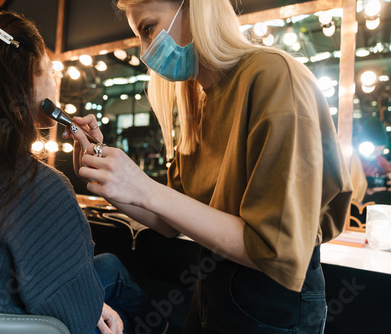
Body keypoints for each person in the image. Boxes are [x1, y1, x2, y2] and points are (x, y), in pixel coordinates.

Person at [65, 0, 353, 333]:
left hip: (272, 303)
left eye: (148, 29)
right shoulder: (197, 103)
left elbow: (274, 249)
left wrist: (145, 189)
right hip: (212, 287)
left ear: (195, 8)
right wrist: (108, 178)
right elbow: (171, 221)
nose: (145, 53)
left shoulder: (273, 76)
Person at [0, 12, 162, 334]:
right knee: (114, 276)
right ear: (25, 81)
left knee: (107, 266)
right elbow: (79, 317)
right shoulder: (42, 188)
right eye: (49, 69)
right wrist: (93, 304)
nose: (54, 80)